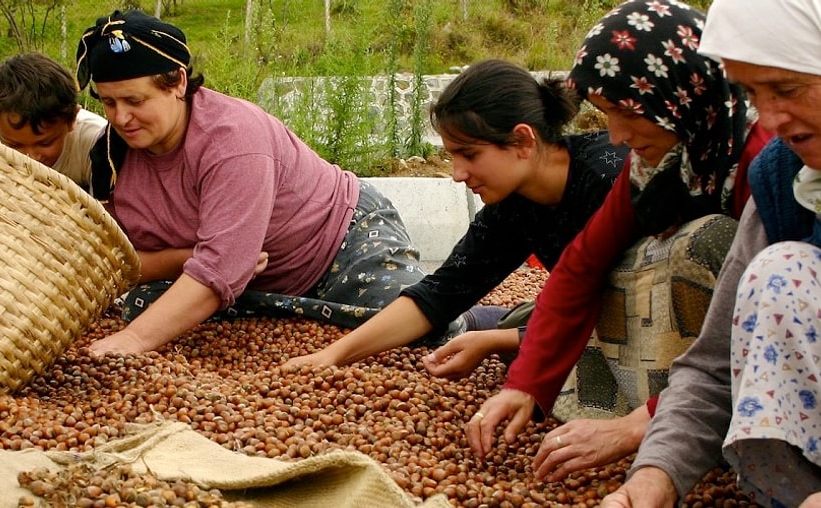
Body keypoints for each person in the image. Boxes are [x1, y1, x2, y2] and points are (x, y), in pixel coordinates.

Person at [466, 0, 773, 482]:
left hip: (757, 363)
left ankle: (704, 428)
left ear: (679, 93)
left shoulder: (766, 162)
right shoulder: (657, 164)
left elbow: (764, 329)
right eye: (606, 114)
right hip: (701, 372)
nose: (616, 135)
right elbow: (581, 265)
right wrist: (524, 382)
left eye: (628, 112)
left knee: (710, 240)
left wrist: (641, 426)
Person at [74, 10, 425, 356]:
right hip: (253, 286)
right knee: (140, 305)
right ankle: (298, 315)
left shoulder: (233, 139)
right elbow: (118, 261)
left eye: (135, 101)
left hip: (340, 244)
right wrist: (191, 259)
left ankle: (473, 321)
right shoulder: (110, 157)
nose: (121, 117)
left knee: (418, 326)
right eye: (108, 102)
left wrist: (134, 341)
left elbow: (220, 269)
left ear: (178, 82)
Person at [602, 1, 820, 506]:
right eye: (751, 94)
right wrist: (655, 476)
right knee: (779, 273)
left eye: (787, 89)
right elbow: (714, 361)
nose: (770, 119)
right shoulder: (785, 178)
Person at [281, 59, 628, 370]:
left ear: (523, 140)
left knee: (539, 352)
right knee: (525, 336)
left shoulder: (610, 178)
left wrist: (495, 342)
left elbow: (626, 314)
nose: (457, 174)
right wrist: (332, 356)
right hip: (583, 312)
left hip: (638, 322)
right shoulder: (513, 205)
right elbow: (439, 295)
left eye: (469, 155)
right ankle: (504, 322)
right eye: (452, 156)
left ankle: (501, 325)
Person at [0, 52, 108, 195]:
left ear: (72, 118)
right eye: (14, 146)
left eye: (45, 143)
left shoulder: (96, 143)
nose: (29, 158)